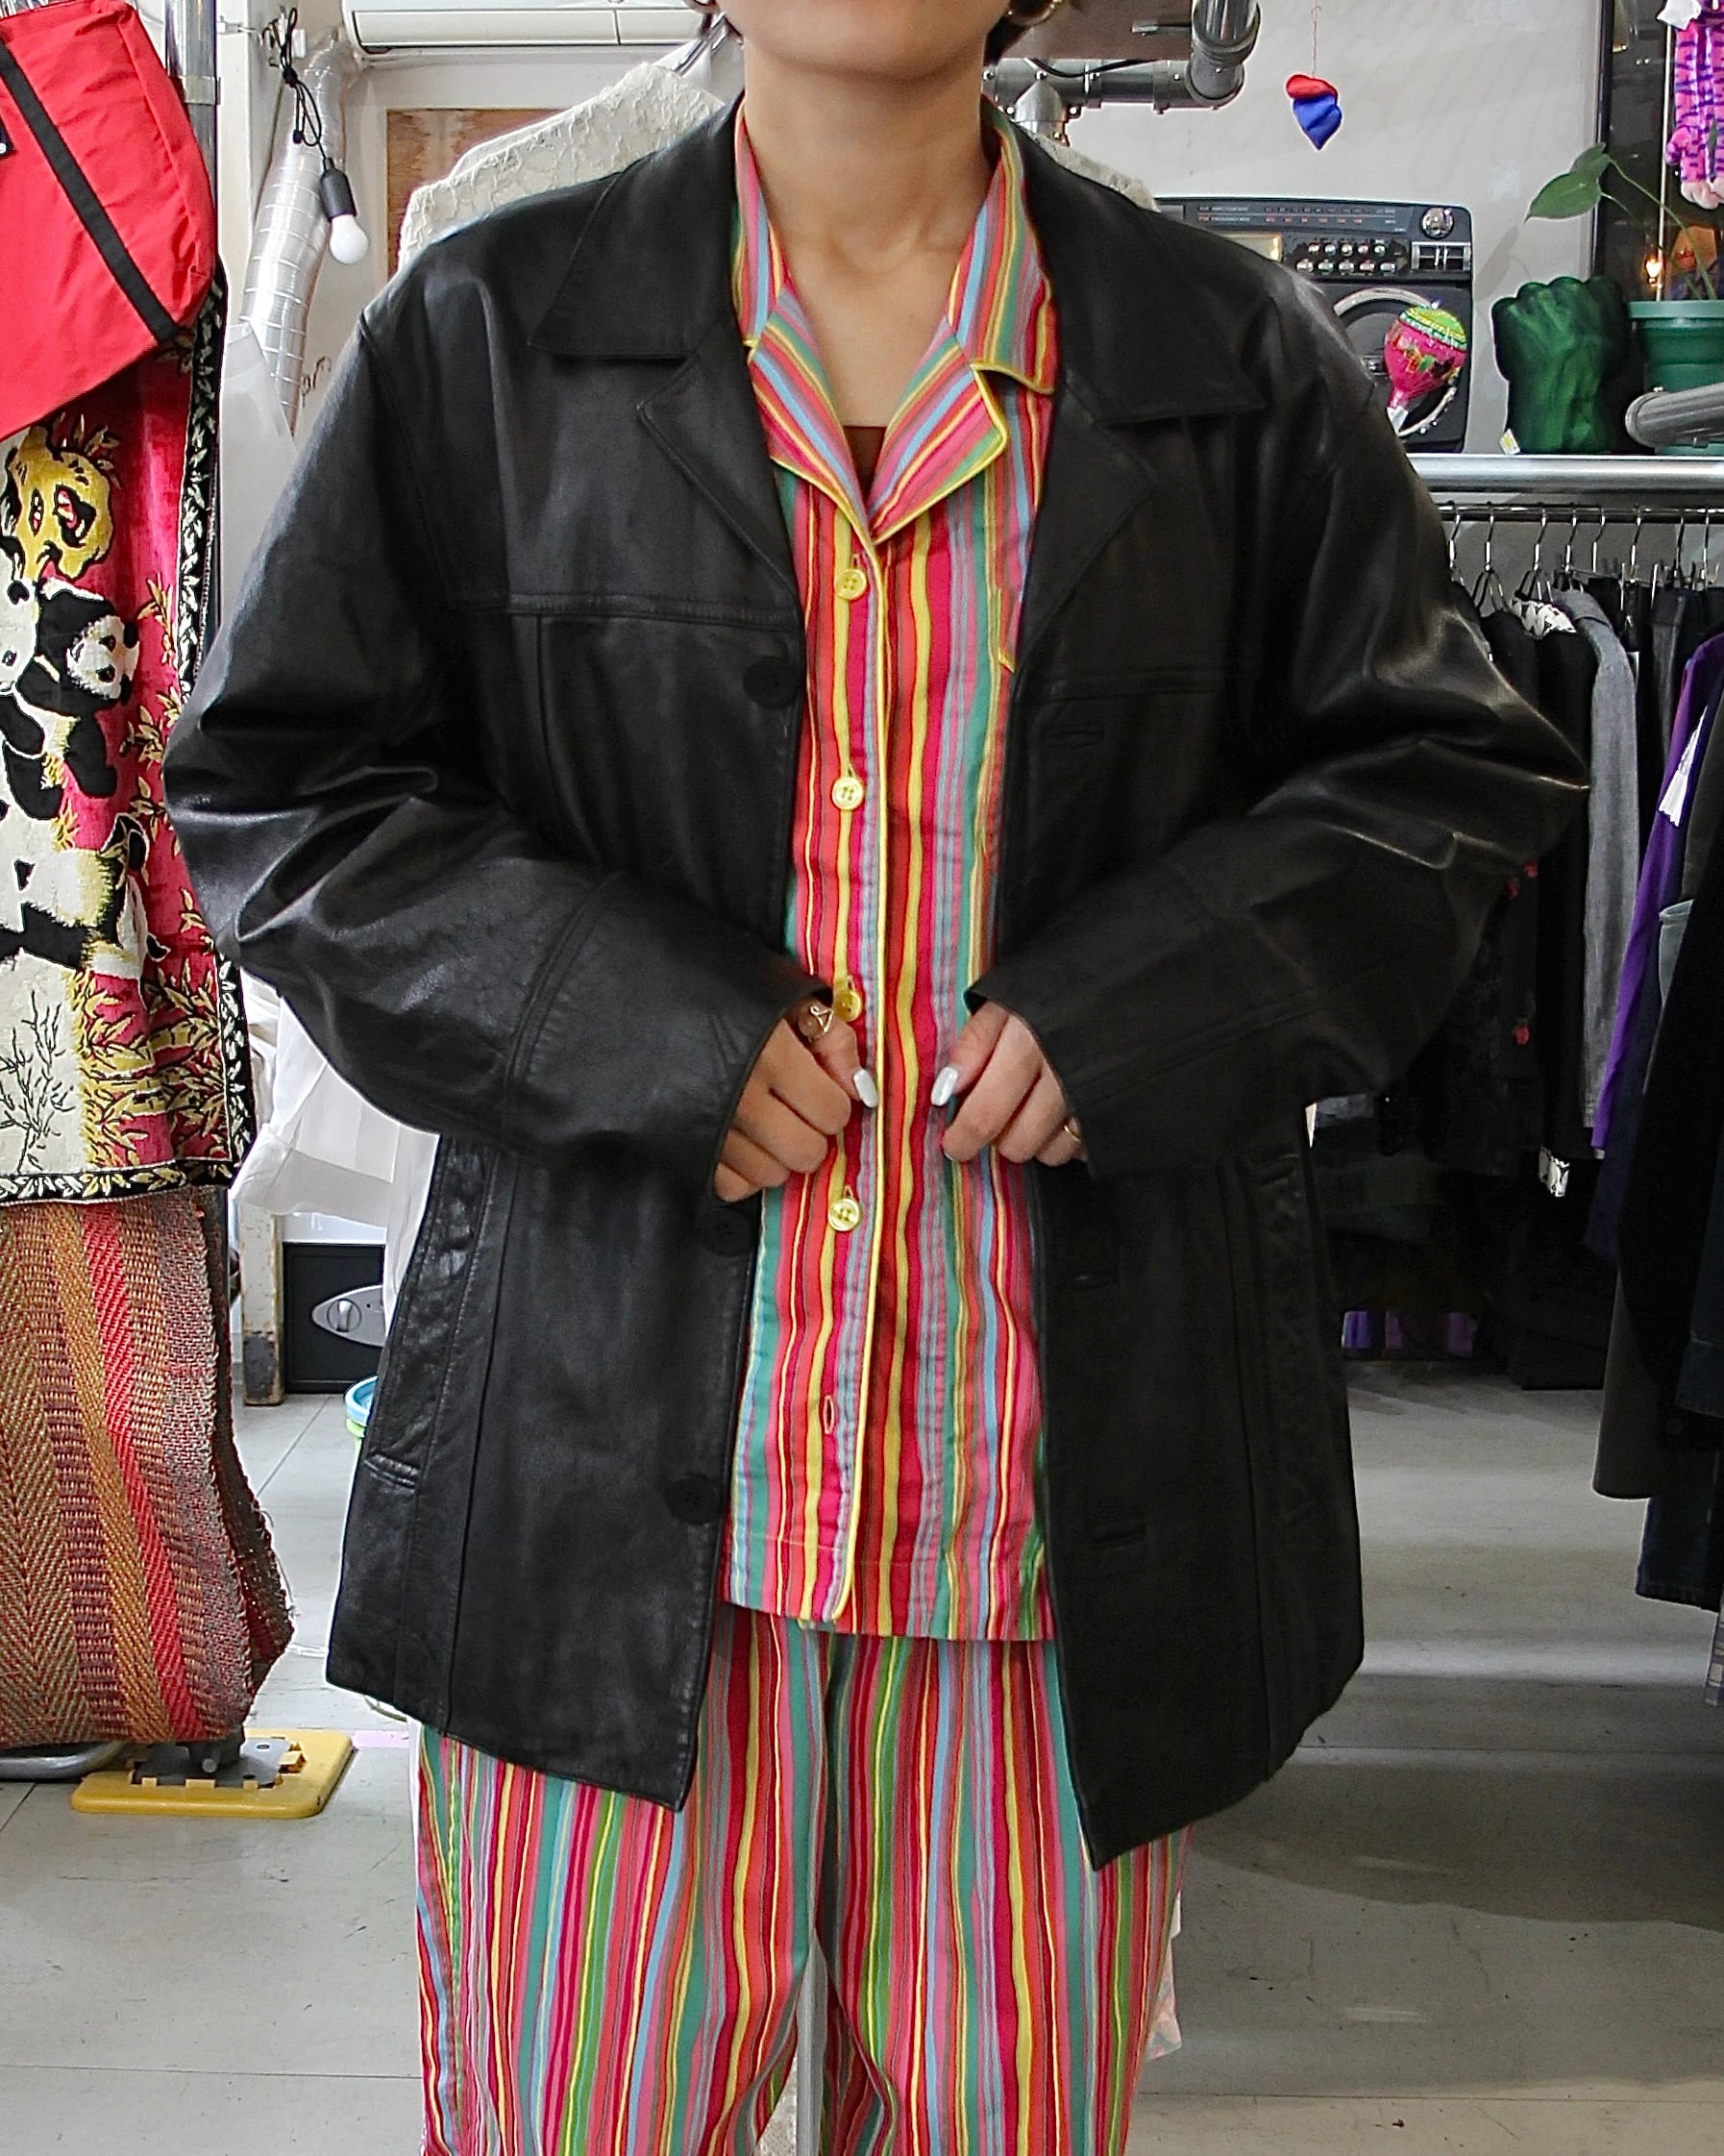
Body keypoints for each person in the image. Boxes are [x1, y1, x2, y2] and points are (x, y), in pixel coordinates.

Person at [164, 2, 1585, 2148]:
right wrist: (615, 1016)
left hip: (1044, 1516)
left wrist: (1156, 1003)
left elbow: (1443, 777)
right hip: (601, 1496)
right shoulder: (490, 333)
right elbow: (279, 791)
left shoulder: (1230, 358)